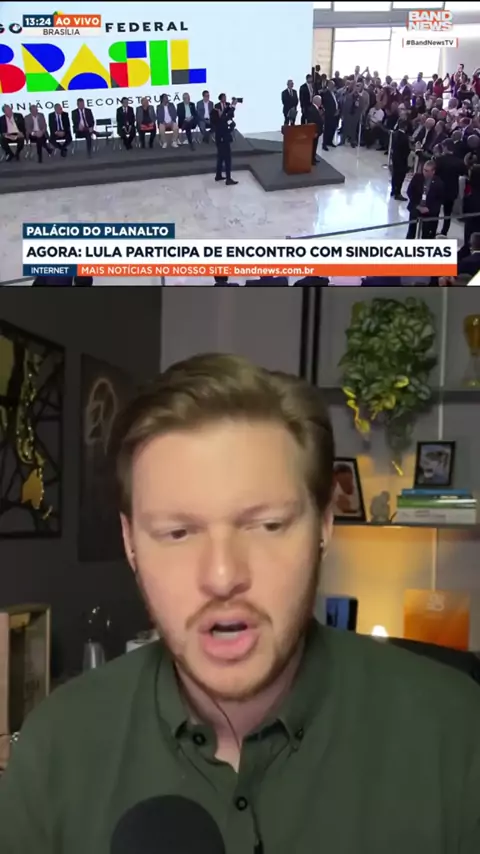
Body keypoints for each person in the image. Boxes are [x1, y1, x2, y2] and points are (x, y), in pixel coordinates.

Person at [4, 353, 480, 854]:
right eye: (178, 532)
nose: (223, 577)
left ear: (324, 526)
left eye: (267, 526)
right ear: (130, 543)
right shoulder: (55, 748)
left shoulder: (458, 733)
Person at [406, 159, 444, 239]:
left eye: (427, 171)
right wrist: (417, 205)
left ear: (433, 171)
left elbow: (439, 199)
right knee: (411, 232)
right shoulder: (417, 177)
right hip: (416, 208)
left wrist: (429, 208)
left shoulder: (439, 183)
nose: (425, 172)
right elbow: (410, 192)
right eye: (424, 170)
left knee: (426, 234)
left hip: (429, 212)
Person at [434, 139, 464, 237]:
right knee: (448, 213)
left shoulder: (439, 160)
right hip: (452, 190)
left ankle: (432, 229)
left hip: (439, 190)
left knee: (435, 212)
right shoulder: (459, 161)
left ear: (446, 147)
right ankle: (444, 232)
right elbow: (463, 173)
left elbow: (435, 173)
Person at [211, 95, 238, 186]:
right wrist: (233, 106)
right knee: (227, 160)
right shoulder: (221, 120)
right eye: (219, 111)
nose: (221, 111)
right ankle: (228, 179)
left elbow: (225, 112)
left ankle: (218, 175)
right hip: (224, 141)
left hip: (219, 140)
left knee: (220, 158)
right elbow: (227, 115)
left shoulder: (216, 118)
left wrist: (230, 105)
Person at [390, 119, 410, 201]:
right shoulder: (405, 137)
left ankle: (393, 190)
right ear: (405, 127)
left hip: (395, 158)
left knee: (394, 175)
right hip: (402, 160)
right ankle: (397, 193)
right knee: (400, 177)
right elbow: (406, 150)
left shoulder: (394, 134)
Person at [321, 80, 339, 150]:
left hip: (335, 114)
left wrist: (337, 110)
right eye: (331, 85)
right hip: (329, 114)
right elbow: (326, 104)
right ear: (328, 85)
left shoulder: (333, 93)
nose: (333, 86)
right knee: (327, 129)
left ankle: (330, 141)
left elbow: (335, 102)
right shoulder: (326, 93)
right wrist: (332, 112)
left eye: (333, 85)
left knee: (333, 128)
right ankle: (324, 144)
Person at [307, 95, 324, 165]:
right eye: (320, 101)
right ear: (317, 101)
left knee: (315, 145)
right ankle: (311, 160)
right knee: (313, 146)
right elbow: (312, 122)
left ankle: (313, 158)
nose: (321, 102)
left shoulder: (316, 108)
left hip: (317, 131)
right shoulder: (312, 110)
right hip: (314, 132)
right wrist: (315, 132)